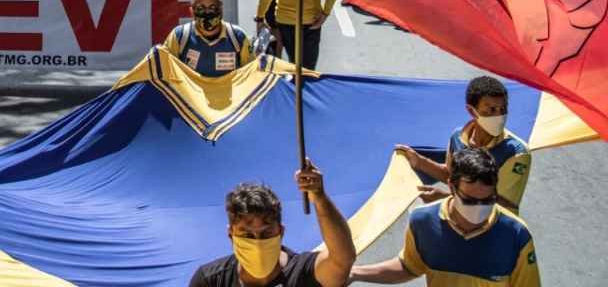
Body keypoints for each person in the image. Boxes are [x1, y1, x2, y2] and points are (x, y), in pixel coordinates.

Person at [349, 148, 539, 286]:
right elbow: (409, 266)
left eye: (488, 200)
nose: (479, 207)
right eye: (470, 200)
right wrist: (356, 273)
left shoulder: (516, 234)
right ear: (451, 187)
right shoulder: (422, 221)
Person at [187, 163, 355, 287]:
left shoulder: (304, 273)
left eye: (266, 234)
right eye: (247, 235)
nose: (257, 244)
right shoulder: (210, 281)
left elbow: (343, 259)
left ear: (281, 232)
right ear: (231, 234)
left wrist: (319, 197)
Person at [394, 76, 531, 212]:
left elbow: (503, 207)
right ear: (472, 111)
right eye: (491, 109)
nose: (499, 116)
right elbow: (452, 175)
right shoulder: (457, 137)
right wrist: (419, 162)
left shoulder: (517, 153)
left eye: (503, 109)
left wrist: (444, 200)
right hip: (457, 221)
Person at [163, 0, 255, 77]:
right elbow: (165, 71)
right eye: (201, 8)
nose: (207, 12)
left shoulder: (237, 37)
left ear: (221, 9)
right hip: (190, 92)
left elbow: (251, 73)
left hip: (227, 92)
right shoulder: (180, 36)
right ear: (191, 11)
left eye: (213, 8)